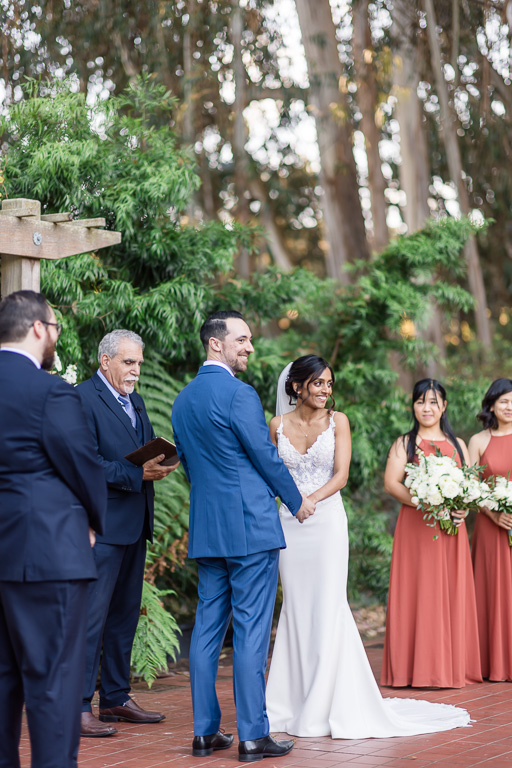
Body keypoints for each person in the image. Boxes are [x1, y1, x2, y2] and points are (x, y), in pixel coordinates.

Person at [266, 358, 472, 738]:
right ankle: (290, 701)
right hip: (290, 525)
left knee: (328, 603)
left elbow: (341, 474)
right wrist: (293, 502)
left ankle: (329, 701)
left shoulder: (338, 421)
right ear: (296, 388)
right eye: (317, 384)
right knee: (296, 604)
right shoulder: (276, 425)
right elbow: (270, 471)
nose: (326, 390)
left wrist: (308, 500)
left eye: (329, 383)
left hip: (326, 521)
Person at [171, 310, 315, 762]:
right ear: (217, 344)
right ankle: (253, 735)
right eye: (242, 339)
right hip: (250, 527)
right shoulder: (238, 393)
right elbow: (264, 456)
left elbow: (193, 470)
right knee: (252, 630)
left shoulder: (182, 400)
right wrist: (296, 500)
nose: (249, 347)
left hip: (210, 529)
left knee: (207, 631)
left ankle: (204, 733)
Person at [0, 290, 107, 768]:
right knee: (53, 684)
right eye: (56, 328)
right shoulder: (50, 391)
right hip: (48, 554)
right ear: (39, 328)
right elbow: (83, 466)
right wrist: (92, 521)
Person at [76, 329, 178, 737]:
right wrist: (138, 473)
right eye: (128, 362)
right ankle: (79, 705)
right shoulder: (83, 399)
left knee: (122, 619)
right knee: (90, 620)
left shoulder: (133, 398)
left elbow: (137, 449)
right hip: (100, 527)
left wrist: (160, 460)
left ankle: (115, 699)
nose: (136, 370)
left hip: (136, 524)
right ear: (105, 361)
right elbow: (86, 462)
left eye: (138, 362)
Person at [381, 378, 482, 688]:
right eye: (421, 402)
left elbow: (468, 485)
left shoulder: (458, 444)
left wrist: (463, 507)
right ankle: (414, 669)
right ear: (413, 406)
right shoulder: (404, 443)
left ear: (444, 406)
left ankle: (448, 666)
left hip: (451, 532)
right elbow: (392, 483)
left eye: (433, 402)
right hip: (416, 527)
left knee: (449, 592)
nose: (427, 408)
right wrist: (424, 502)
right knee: (418, 591)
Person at [469, 378, 512, 681]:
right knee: (492, 591)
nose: (510, 407)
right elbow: (469, 487)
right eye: (504, 401)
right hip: (489, 525)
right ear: (492, 405)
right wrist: (493, 514)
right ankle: (492, 663)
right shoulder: (478, 440)